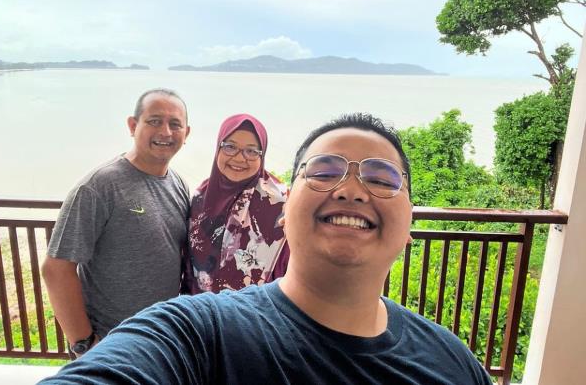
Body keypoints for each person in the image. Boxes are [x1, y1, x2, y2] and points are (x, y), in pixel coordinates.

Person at [40, 113, 492, 384]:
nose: (352, 190)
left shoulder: (454, 362)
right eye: (324, 171)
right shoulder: (196, 337)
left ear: (410, 221)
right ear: (288, 205)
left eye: (380, 178)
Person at [41, 88, 191, 357]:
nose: (166, 132)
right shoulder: (99, 187)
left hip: (159, 338)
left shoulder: (178, 184)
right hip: (111, 344)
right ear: (133, 126)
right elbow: (56, 268)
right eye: (154, 121)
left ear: (186, 134)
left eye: (175, 124)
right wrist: (84, 344)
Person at [183, 113, 288, 294]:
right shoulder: (201, 197)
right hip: (201, 312)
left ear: (262, 155)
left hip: (257, 314)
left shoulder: (281, 203)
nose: (240, 158)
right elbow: (188, 266)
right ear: (218, 148)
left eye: (251, 151)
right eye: (230, 147)